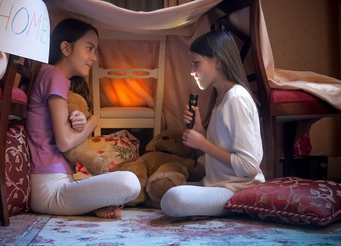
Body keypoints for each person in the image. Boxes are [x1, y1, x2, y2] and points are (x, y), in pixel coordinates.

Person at [26, 18, 140, 219]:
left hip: (61, 182)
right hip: (49, 189)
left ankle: (87, 204)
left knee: (124, 183)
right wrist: (92, 123)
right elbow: (65, 142)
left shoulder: (55, 78)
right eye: (89, 48)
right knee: (130, 182)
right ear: (66, 48)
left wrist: (78, 122)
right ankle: (87, 203)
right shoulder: (54, 76)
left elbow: (64, 134)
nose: (94, 57)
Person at [160, 30, 265, 217]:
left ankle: (226, 209)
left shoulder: (236, 98)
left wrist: (202, 143)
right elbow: (221, 155)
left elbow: (249, 166)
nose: (192, 71)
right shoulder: (221, 99)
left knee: (173, 199)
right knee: (162, 190)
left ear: (217, 61)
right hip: (219, 186)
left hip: (238, 190)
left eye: (196, 63)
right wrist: (201, 132)